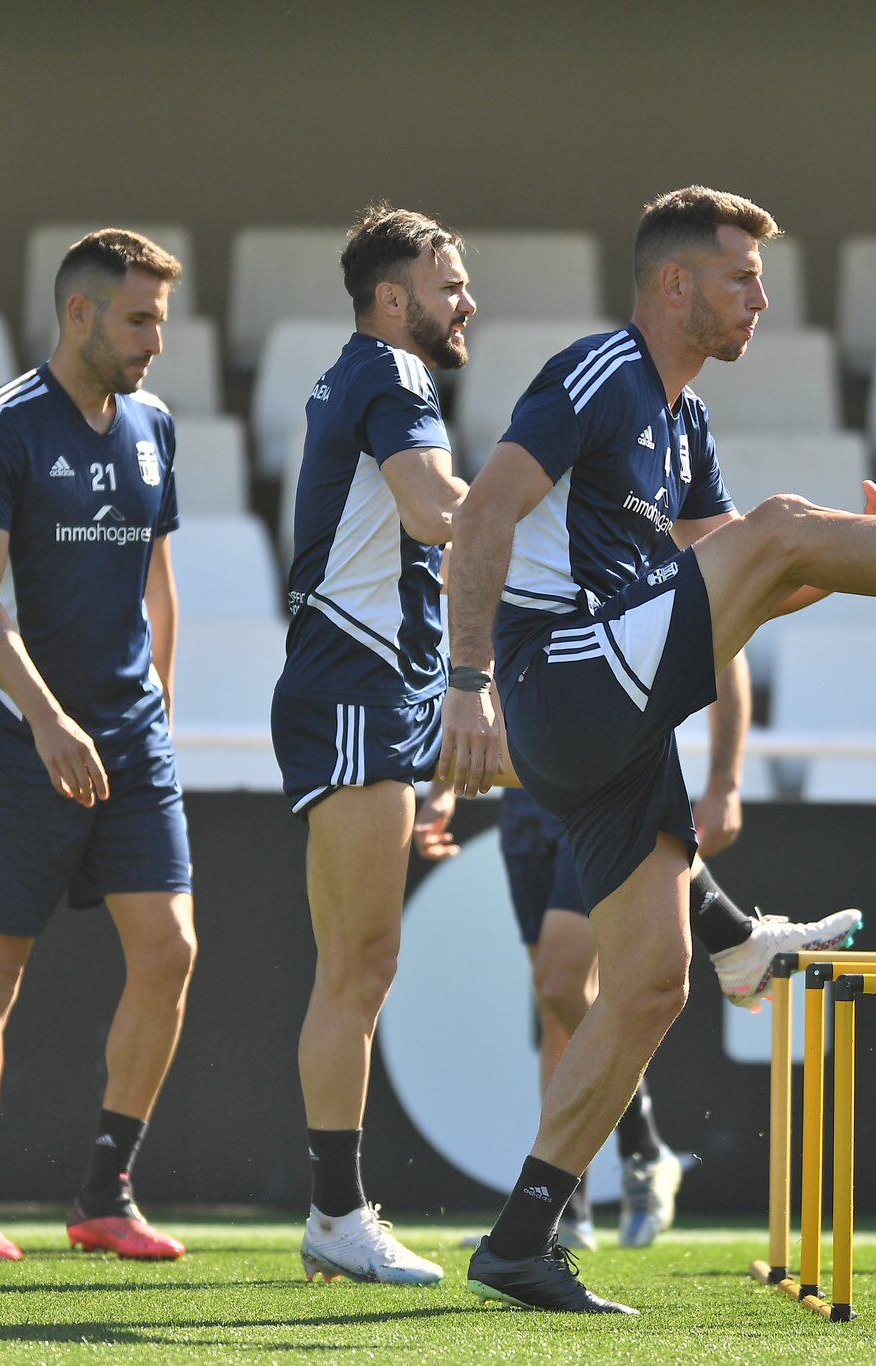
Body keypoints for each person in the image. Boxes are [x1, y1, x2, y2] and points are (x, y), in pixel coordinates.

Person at [440, 186, 876, 1312]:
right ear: (674, 284)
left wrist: (871, 547)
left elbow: (746, 601)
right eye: (740, 278)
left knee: (651, 989)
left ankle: (521, 1237)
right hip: (555, 681)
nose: (760, 299)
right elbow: (479, 518)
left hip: (613, 715)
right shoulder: (596, 373)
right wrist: (467, 687)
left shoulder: (686, 423)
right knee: (779, 524)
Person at [0, 229, 195, 1262]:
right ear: (79, 312)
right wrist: (47, 718)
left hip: (133, 745)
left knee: (171, 952)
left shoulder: (155, 425)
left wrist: (157, 709)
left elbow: (157, 580)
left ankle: (105, 1189)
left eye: (161, 323)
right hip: (19, 744)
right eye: (138, 320)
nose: (154, 343)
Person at [415, 663, 862, 1251]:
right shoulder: (502, 571)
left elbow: (721, 647)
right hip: (527, 790)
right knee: (560, 1004)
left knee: (560, 975)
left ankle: (734, 953)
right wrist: (447, 784)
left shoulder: (629, 566)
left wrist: (726, 779)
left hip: (601, 775)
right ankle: (565, 1208)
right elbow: (487, 651)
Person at [271, 204, 472, 1288]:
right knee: (356, 967)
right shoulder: (391, 380)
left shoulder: (364, 375)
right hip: (351, 691)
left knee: (360, 964)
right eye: (449, 284)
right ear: (393, 299)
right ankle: (336, 1214)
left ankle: (333, 1212)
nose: (464, 301)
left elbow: (411, 553)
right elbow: (438, 513)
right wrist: (549, 506)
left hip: (371, 695)